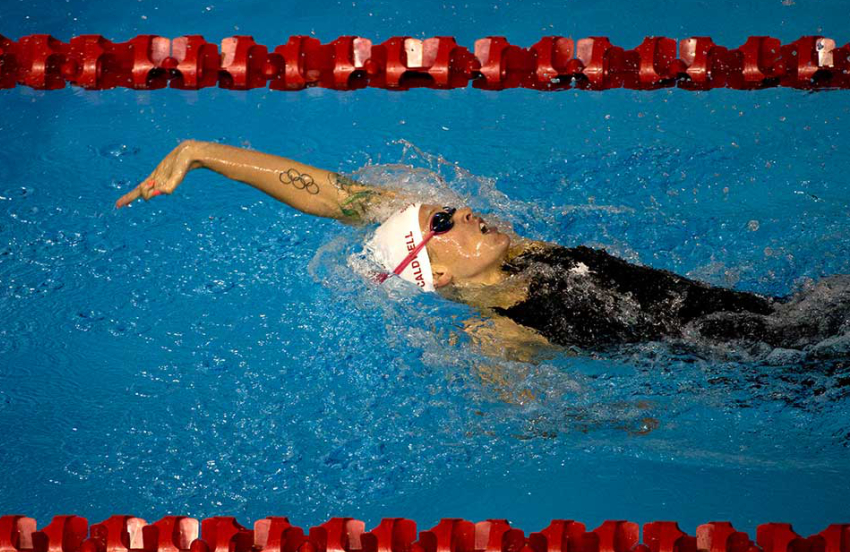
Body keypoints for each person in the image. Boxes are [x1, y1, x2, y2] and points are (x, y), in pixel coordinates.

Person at [116, 140, 848, 361]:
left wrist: (200, 152)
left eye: (452, 209)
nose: (462, 213)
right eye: (445, 223)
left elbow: (338, 196)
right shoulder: (497, 329)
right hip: (772, 368)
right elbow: (537, 420)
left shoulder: (521, 250)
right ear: (428, 273)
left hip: (784, 316)